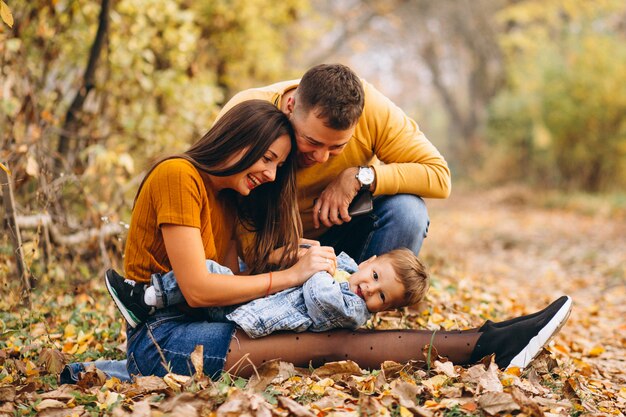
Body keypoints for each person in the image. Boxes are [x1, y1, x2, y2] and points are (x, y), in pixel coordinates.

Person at [61, 94, 572, 385]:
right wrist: (289, 275)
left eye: (277, 165)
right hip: (166, 340)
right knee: (332, 344)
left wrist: (305, 256)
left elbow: (236, 272)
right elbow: (197, 290)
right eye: (266, 159)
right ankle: (485, 346)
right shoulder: (179, 176)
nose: (269, 173)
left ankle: (491, 338)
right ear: (238, 142)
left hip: (196, 330)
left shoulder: (226, 199)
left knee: (326, 331)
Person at [216, 63, 452, 263]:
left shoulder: (371, 109)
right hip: (261, 249)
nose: (321, 158)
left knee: (408, 211)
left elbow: (439, 176)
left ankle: (358, 305)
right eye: (311, 141)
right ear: (291, 106)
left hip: (337, 241)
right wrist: (278, 255)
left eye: (337, 146)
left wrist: (360, 177)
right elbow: (216, 197)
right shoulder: (247, 113)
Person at [105, 249, 429, 336]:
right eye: (374, 275)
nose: (369, 288)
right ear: (369, 262)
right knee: (211, 270)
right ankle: (150, 298)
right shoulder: (345, 267)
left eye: (381, 296)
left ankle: (146, 300)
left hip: (251, 316)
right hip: (253, 298)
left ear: (382, 310)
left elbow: (320, 296)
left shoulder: (353, 310)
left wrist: (316, 267)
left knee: (211, 274)